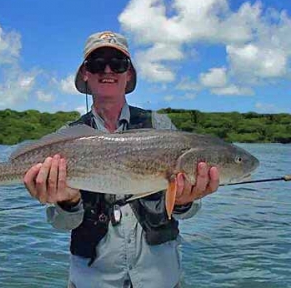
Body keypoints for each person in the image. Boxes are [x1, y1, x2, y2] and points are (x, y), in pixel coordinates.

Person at [23, 31, 219, 288]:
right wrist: (68, 202)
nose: (108, 70)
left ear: (128, 74)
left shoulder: (160, 126)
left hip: (159, 277)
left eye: (118, 63)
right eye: (97, 63)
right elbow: (62, 223)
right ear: (85, 73)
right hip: (93, 280)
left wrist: (184, 201)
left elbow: (188, 211)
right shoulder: (65, 140)